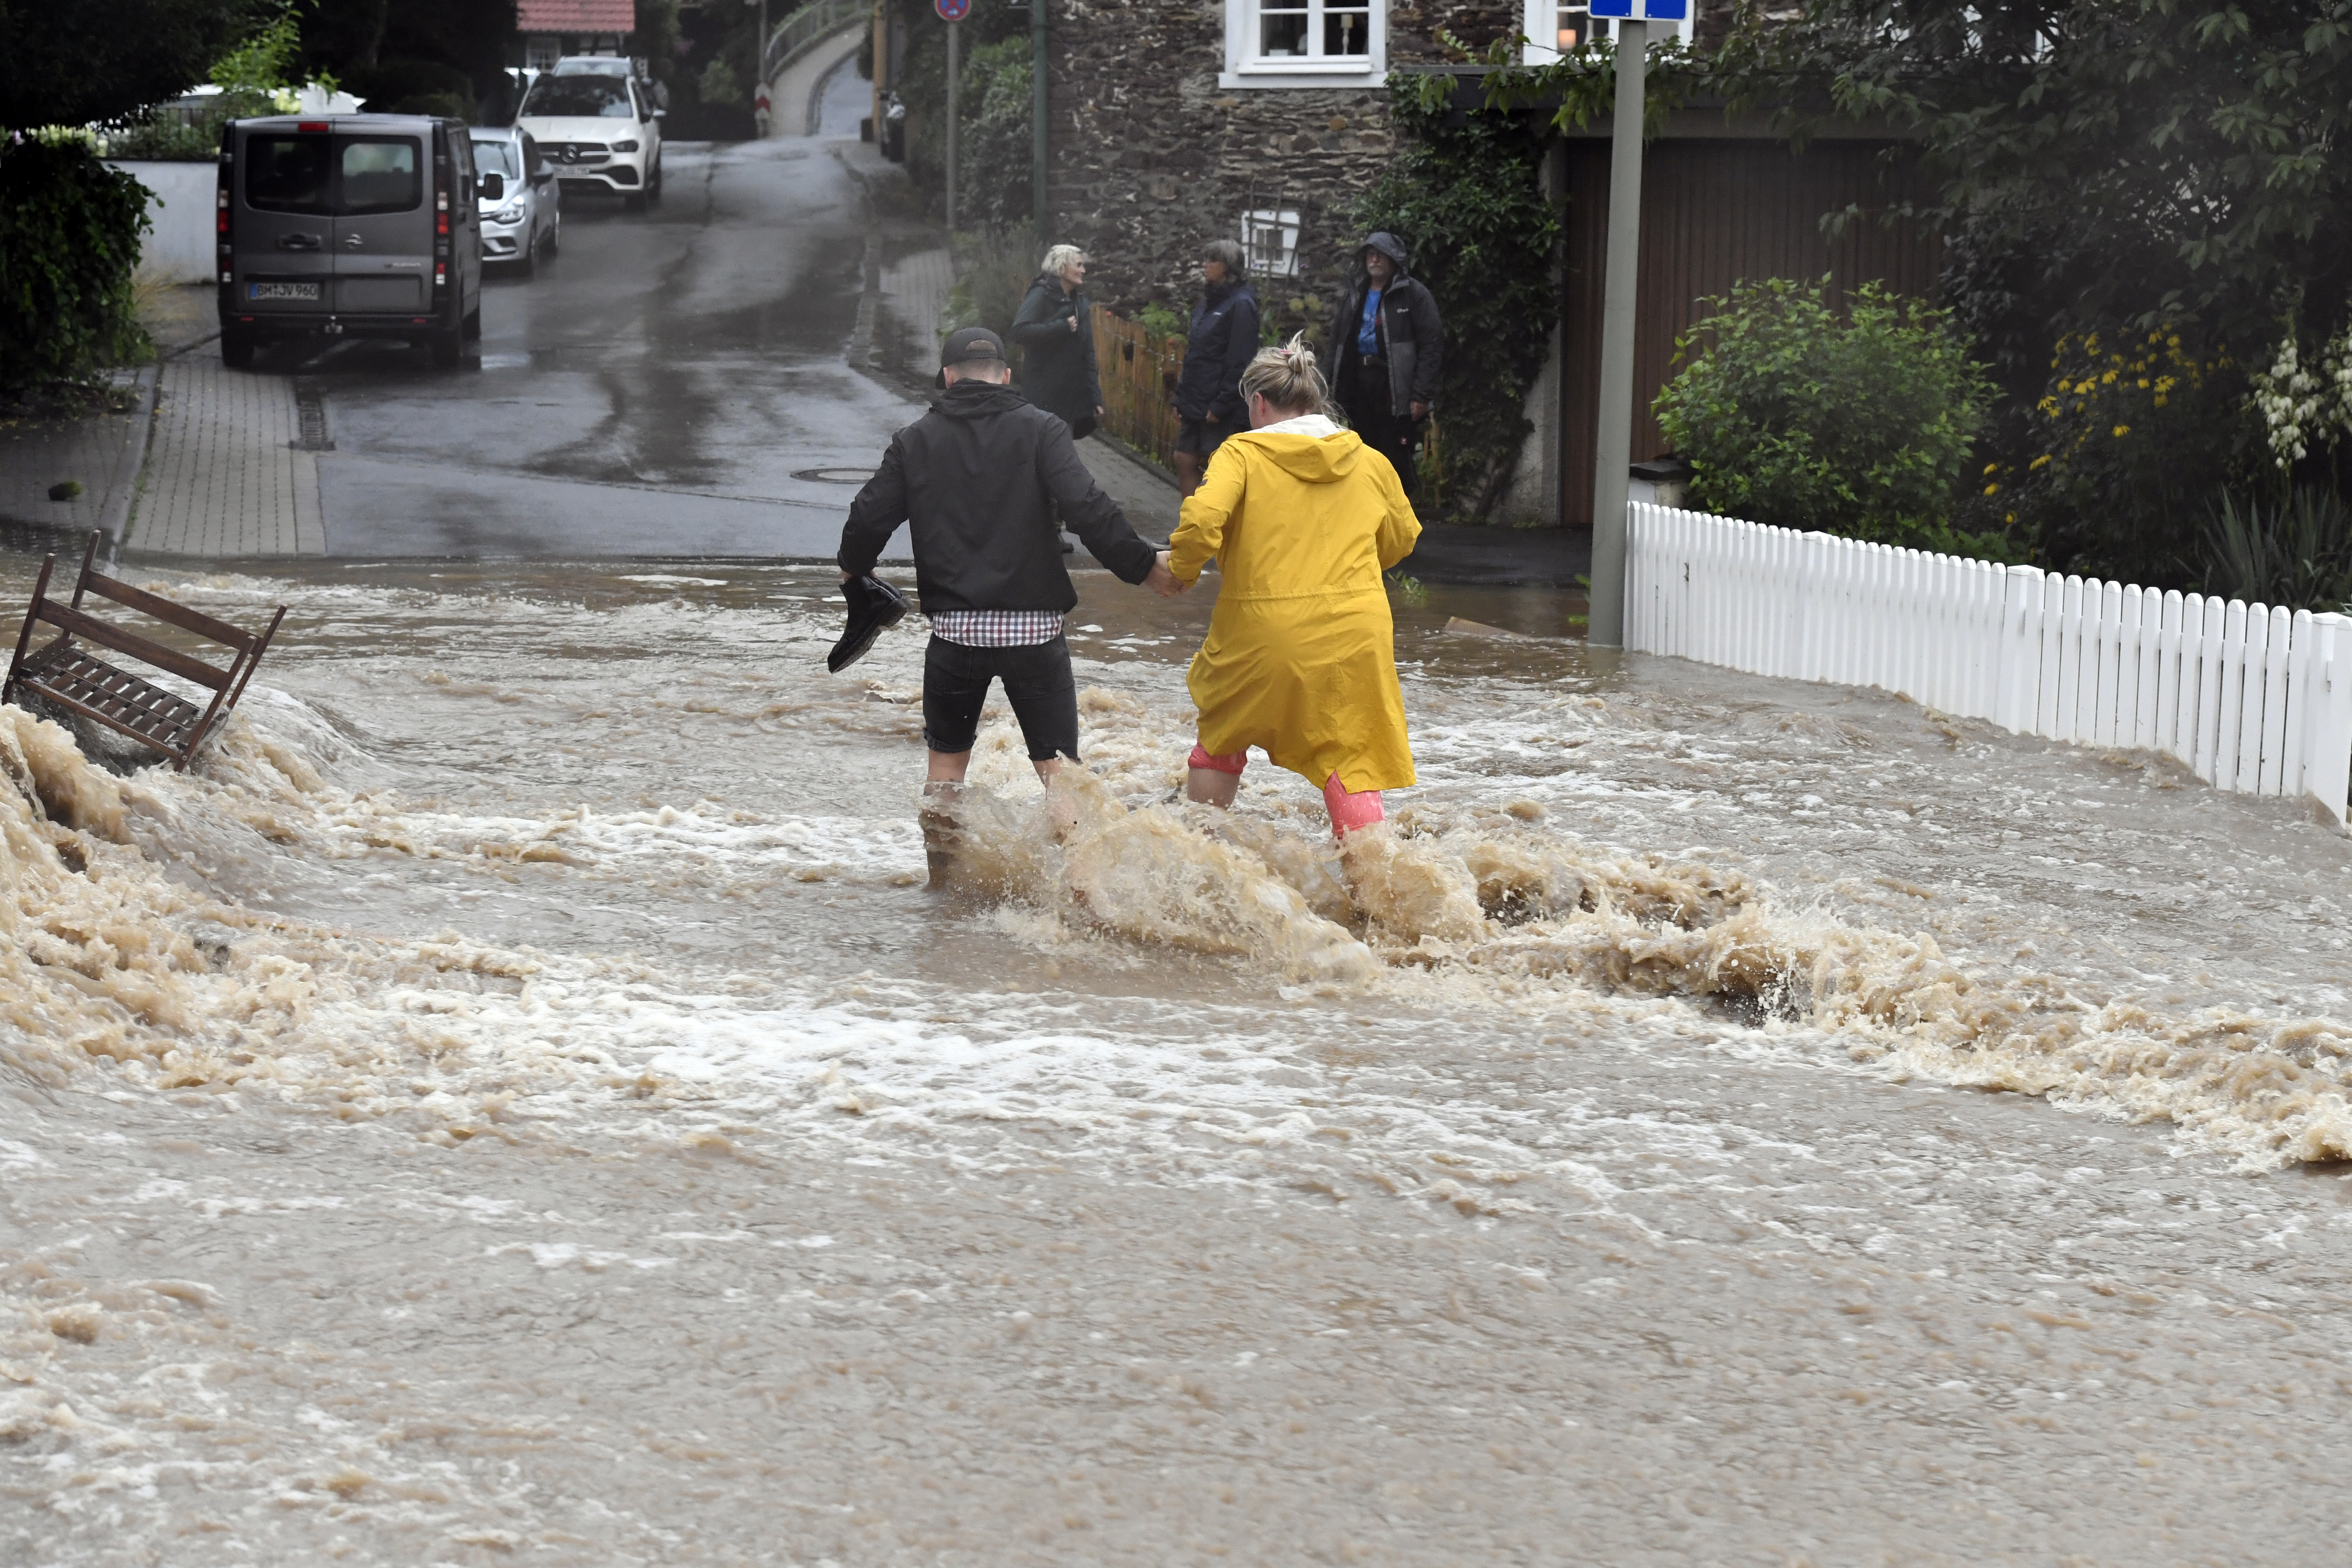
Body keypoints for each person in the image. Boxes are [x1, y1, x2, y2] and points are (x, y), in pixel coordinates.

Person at [837, 327, 1181, 859]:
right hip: (1036, 636)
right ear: (1005, 375)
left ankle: (944, 899)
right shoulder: (1043, 431)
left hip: (955, 638)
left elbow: (867, 519)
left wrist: (853, 573)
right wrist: (1143, 568)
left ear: (948, 378)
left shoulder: (916, 440)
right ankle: (1079, 899)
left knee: (947, 771)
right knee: (1060, 773)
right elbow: (1089, 508)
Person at [1163, 337, 1421, 838]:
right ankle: (1378, 894)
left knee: (1222, 739)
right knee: (1352, 758)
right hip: (1356, 635)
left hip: (1262, 635)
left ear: (1258, 403)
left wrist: (1183, 570)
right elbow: (1401, 538)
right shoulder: (1369, 460)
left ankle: (1201, 860)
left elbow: (1202, 522)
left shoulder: (1241, 453)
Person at [1327, 231, 1442, 506]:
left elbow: (1432, 345)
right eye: (1370, 253)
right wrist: (1329, 391)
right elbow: (1336, 344)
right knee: (1362, 456)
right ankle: (1370, 526)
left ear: (1393, 260)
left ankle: (1399, 528)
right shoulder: (1355, 296)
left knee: (1396, 459)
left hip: (1396, 392)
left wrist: (1421, 395)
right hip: (1359, 390)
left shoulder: (1413, 294)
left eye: (1381, 254)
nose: (1375, 258)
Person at [1171, 239, 1260, 498]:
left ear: (1229, 267)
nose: (1205, 265)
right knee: (1183, 458)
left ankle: (1214, 533)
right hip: (1196, 397)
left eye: (1212, 261)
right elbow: (1195, 354)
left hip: (1218, 405)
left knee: (1218, 469)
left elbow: (1241, 360)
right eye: (1205, 259)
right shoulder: (1208, 302)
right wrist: (1181, 398)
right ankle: (1192, 529)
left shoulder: (1241, 304)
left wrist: (1222, 403)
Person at [1010, 243, 1105, 440]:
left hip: (1069, 401)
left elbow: (1087, 353)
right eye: (1078, 265)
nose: (1083, 271)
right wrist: (1060, 328)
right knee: (1043, 459)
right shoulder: (1041, 294)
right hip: (1043, 399)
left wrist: (1095, 397)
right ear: (1062, 267)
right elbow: (1020, 331)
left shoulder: (1079, 303)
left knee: (1061, 460)